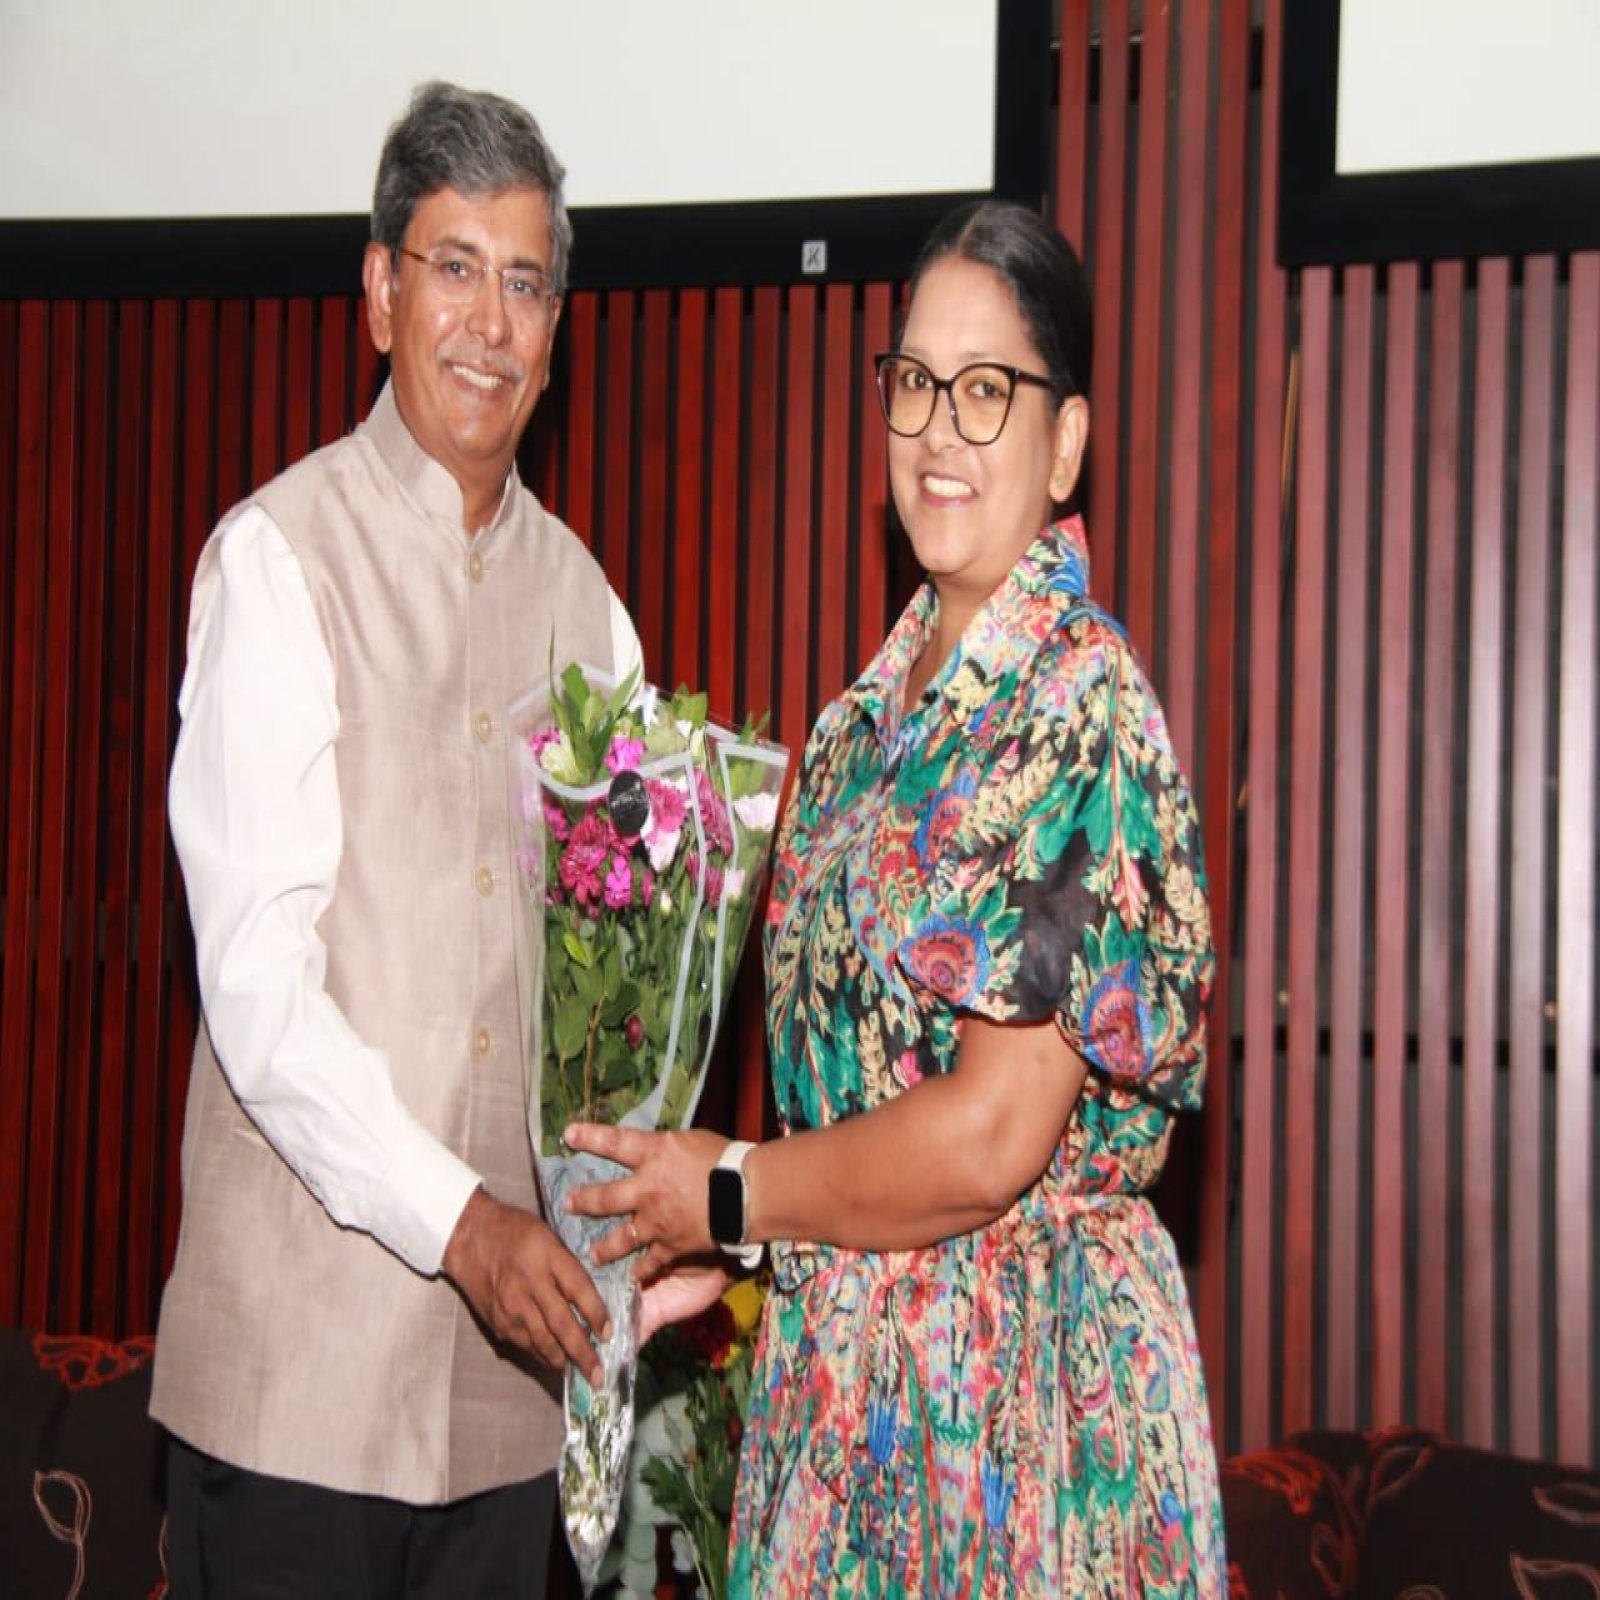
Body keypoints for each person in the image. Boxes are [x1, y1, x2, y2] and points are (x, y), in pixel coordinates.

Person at [566, 200, 1225, 1596]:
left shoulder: (1077, 701)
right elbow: (851, 1118)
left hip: (1017, 1419)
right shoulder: (860, 728)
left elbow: (992, 1136)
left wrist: (736, 1195)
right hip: (841, 1394)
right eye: (915, 382)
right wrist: (724, 1247)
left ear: (1067, 444)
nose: (939, 427)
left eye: (988, 392)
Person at [152, 81, 640, 1597]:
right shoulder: (277, 563)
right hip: (299, 1400)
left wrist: (639, 1210)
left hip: (510, 1423)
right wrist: (467, 1226)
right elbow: (258, 993)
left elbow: (614, 1000)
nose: (489, 322)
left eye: (526, 280)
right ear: (378, 292)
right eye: (452, 267)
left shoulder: (596, 619)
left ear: (557, 326)